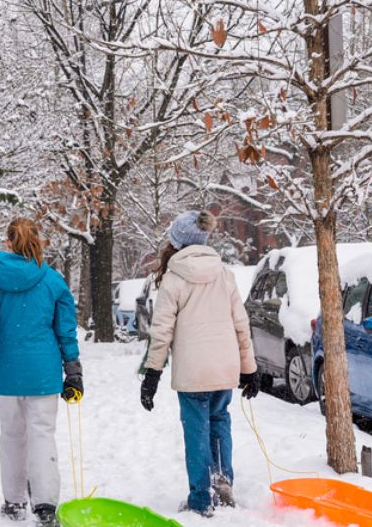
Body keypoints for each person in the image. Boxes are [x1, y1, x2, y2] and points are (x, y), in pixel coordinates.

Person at [0, 218, 82, 526]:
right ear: (37, 243)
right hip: (43, 371)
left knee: (12, 436)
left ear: (9, 244)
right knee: (42, 435)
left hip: (9, 370)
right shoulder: (53, 281)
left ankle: (14, 501)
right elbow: (66, 331)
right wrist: (73, 370)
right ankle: (44, 505)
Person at [138, 210, 258, 517]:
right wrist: (249, 368)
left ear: (177, 242)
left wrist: (152, 373)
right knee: (219, 420)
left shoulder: (174, 278)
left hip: (193, 370)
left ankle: (202, 498)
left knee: (196, 429)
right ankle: (222, 480)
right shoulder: (225, 275)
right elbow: (240, 324)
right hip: (224, 366)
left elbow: (161, 331)